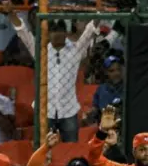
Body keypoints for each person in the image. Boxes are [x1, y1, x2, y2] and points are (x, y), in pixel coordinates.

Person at [10, 13, 100, 142]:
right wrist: (11, 12)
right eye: (53, 31)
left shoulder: (75, 51)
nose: (57, 34)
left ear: (65, 33)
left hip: (68, 109)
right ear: (49, 34)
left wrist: (98, 16)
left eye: (60, 30)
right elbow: (24, 33)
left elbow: (88, 33)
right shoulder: (40, 51)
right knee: (43, 148)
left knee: (70, 148)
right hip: (44, 109)